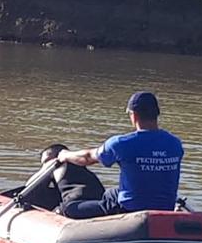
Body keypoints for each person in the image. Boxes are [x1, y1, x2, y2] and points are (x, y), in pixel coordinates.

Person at [57, 91, 183, 219]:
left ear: (134, 116)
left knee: (69, 209)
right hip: (165, 208)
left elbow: (87, 158)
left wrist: (65, 155)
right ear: (157, 114)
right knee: (111, 193)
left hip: (129, 210)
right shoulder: (175, 144)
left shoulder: (121, 143)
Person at [22, 143, 105, 212]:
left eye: (46, 161)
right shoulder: (80, 167)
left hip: (75, 203)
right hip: (97, 201)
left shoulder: (58, 163)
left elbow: (29, 190)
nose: (44, 165)